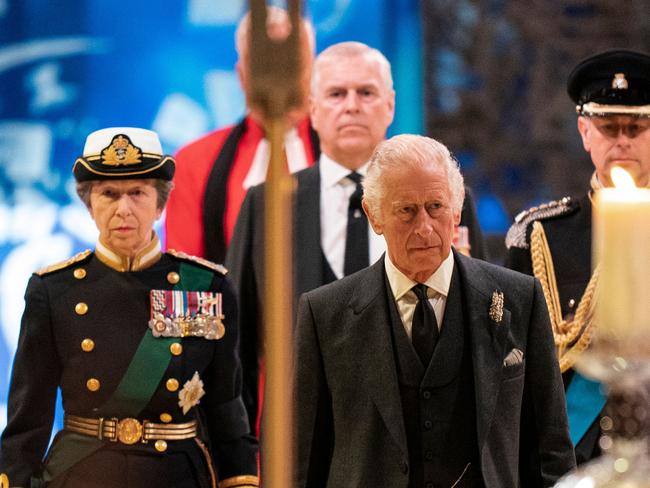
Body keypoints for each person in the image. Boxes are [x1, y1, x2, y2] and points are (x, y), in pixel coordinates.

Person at [227, 42, 487, 431]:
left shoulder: (444, 199)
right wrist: (242, 467)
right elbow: (238, 350)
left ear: (391, 105)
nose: (351, 105)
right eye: (336, 94)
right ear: (313, 110)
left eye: (366, 92)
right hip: (299, 438)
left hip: (418, 437)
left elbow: (477, 322)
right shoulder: (266, 206)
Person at [294, 134, 575, 488]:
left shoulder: (521, 299)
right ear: (374, 215)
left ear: (456, 210)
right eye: (406, 210)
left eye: (436, 207)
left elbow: (552, 453)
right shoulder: (324, 315)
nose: (424, 227)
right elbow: (303, 464)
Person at [0, 128, 258, 488]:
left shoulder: (203, 286)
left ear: (160, 204)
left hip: (176, 475)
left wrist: (240, 478)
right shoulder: (53, 290)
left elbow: (226, 406)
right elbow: (29, 417)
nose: (124, 209)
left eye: (137, 193)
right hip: (81, 473)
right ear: (90, 204)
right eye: (109, 194)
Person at [505, 49, 650, 464]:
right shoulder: (538, 236)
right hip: (570, 457)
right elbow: (516, 364)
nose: (622, 140)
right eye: (609, 126)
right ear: (585, 132)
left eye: (636, 127)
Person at [165, 7, 318, 264]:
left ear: (312, 68)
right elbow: (186, 282)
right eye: (264, 63)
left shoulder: (354, 156)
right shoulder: (194, 163)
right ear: (241, 74)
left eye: (290, 61)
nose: (278, 75)